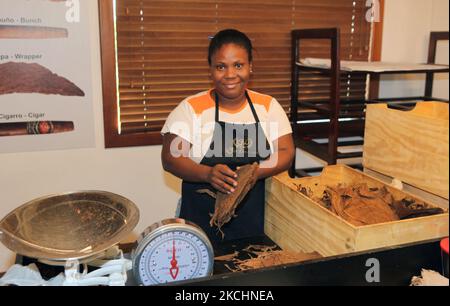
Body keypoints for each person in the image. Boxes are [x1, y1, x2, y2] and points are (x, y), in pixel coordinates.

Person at [161, 29, 294, 245]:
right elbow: (171, 157)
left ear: (251, 66)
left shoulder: (268, 107)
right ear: (211, 70)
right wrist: (207, 174)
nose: (230, 74)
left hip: (258, 225)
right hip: (201, 226)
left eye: (238, 65)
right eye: (221, 66)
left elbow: (286, 152)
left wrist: (253, 173)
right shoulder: (191, 109)